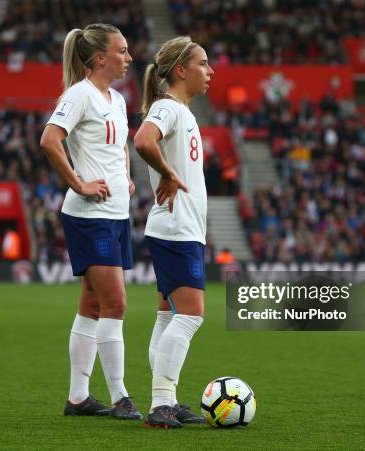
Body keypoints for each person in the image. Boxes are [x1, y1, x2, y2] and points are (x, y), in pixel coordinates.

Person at [39, 23, 141, 420]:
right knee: (115, 302)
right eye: (122, 50)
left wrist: (126, 177)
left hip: (115, 212)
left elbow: (119, 148)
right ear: (100, 58)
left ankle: (78, 397)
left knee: (93, 303)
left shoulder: (114, 98)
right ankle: (120, 396)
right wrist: (79, 183)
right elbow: (50, 139)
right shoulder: (79, 95)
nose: (128, 57)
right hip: (90, 215)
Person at [134, 36, 214, 428]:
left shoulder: (181, 111)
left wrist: (168, 171)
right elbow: (143, 139)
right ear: (180, 70)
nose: (210, 70)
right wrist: (166, 172)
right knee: (191, 316)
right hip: (177, 228)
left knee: (169, 316)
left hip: (180, 227)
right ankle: (161, 402)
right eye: (202, 63)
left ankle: (168, 398)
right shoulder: (168, 107)